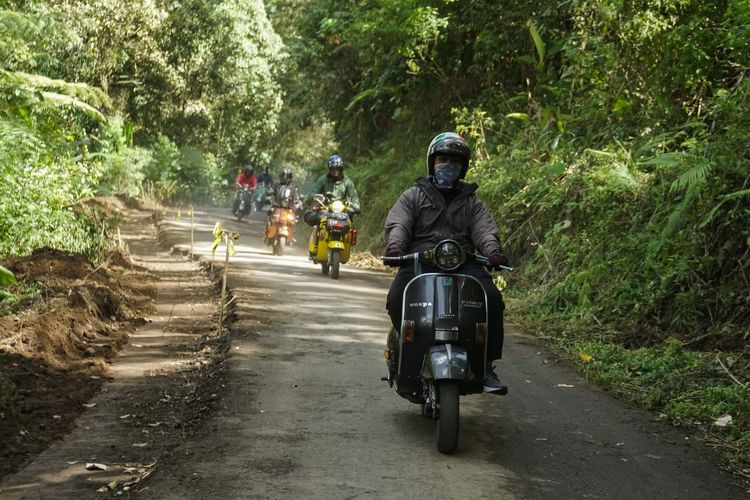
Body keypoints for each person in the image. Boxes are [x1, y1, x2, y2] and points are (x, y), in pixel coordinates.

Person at [383, 132, 510, 395]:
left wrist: (494, 251)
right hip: (420, 262)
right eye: (442, 159)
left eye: (454, 160)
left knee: (492, 302)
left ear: (463, 166)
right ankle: (408, 350)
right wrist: (396, 247)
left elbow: (484, 230)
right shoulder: (414, 196)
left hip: (464, 263)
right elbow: (399, 223)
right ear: (432, 162)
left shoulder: (472, 202)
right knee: (396, 299)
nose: (448, 165)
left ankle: (485, 366)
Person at [304, 154, 361, 227]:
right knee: (318, 219)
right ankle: (318, 236)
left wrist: (356, 206)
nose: (335, 171)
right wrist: (319, 199)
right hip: (325, 209)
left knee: (349, 226)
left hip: (342, 211)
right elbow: (314, 193)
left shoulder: (347, 182)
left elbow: (353, 196)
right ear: (329, 169)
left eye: (337, 169)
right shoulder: (322, 180)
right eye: (333, 169)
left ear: (341, 169)